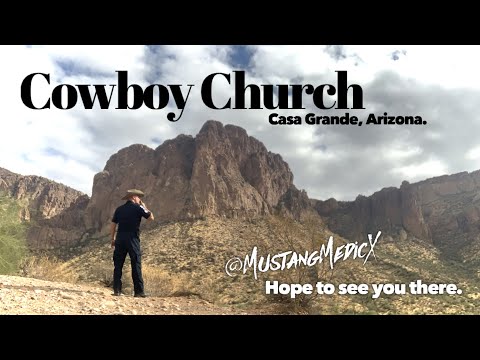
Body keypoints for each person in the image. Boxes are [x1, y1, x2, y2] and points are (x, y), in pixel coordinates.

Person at [110, 189, 154, 297]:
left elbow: (113, 225)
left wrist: (112, 239)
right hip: (132, 239)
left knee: (118, 264)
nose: (140, 200)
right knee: (136, 264)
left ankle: (117, 290)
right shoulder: (138, 207)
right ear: (134, 197)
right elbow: (151, 218)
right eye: (139, 197)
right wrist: (144, 206)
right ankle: (139, 292)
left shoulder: (119, 209)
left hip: (120, 238)